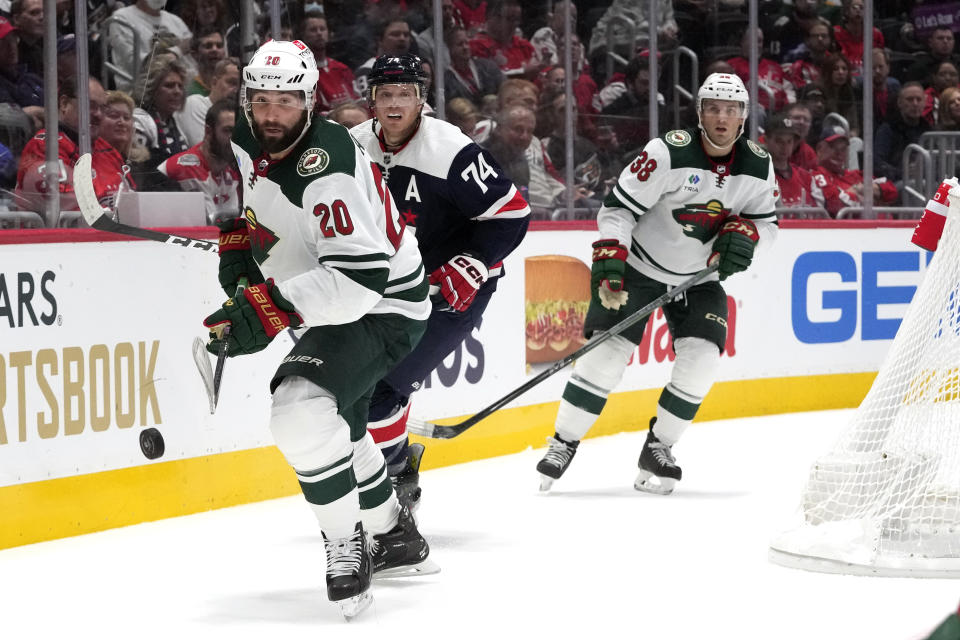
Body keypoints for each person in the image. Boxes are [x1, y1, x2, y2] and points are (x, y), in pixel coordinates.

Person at [205, 40, 433, 619]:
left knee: (300, 409)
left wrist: (270, 306)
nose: (272, 113)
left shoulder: (325, 166)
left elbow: (359, 279)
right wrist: (249, 237)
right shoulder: (249, 136)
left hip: (383, 305)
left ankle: (345, 542)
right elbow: (271, 206)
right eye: (262, 99)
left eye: (286, 100)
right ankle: (393, 535)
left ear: (309, 101)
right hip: (335, 294)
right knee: (340, 425)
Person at [535, 73, 778, 494]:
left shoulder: (758, 164)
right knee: (606, 357)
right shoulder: (666, 153)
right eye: (714, 108)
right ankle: (563, 441)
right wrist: (612, 258)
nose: (723, 117)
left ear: (744, 116)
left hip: (698, 278)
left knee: (702, 359)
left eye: (732, 109)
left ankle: (659, 447)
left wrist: (750, 238)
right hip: (641, 268)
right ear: (700, 113)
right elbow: (616, 210)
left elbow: (766, 224)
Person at [350, 53, 529, 508]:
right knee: (366, 388)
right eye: (385, 94)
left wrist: (472, 263)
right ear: (371, 99)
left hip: (449, 290)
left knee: (381, 389)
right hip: (387, 290)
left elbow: (511, 215)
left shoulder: (450, 149)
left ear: (421, 100)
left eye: (405, 94)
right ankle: (397, 461)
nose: (394, 104)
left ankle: (394, 474)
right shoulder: (351, 147)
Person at [16, 76, 128, 214]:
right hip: (61, 234)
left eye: (103, 108)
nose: (98, 114)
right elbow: (66, 209)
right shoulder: (46, 146)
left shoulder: (109, 151)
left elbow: (132, 200)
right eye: (90, 106)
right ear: (64, 104)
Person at [157, 99, 240, 223]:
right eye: (227, 131)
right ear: (208, 131)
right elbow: (212, 226)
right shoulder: (188, 166)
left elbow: (232, 223)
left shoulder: (230, 169)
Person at [812, 124, 897, 217]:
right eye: (833, 147)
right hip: (854, 230)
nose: (839, 153)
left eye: (843, 149)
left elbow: (892, 190)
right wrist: (869, 195)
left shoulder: (855, 174)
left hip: (885, 229)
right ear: (819, 149)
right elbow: (835, 203)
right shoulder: (817, 176)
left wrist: (860, 190)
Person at [108, 0, 192, 93]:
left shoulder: (176, 21)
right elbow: (138, 64)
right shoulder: (121, 17)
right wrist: (177, 51)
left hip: (183, 90)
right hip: (140, 94)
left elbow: (193, 61)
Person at [874, 82, 929, 183]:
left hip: (927, 181)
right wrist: (902, 173)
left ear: (925, 103)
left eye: (919, 99)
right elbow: (877, 163)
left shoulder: (929, 131)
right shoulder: (888, 129)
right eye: (910, 99)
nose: (915, 104)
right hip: (897, 183)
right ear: (899, 103)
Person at [764, 113, 820, 210]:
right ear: (766, 141)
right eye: (779, 141)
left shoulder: (807, 178)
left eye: (789, 141)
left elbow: (820, 216)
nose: (784, 146)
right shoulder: (756, 176)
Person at [180, 57, 239, 146]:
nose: (237, 90)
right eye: (232, 82)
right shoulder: (196, 104)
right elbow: (206, 148)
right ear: (214, 82)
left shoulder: (240, 116)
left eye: (242, 85)